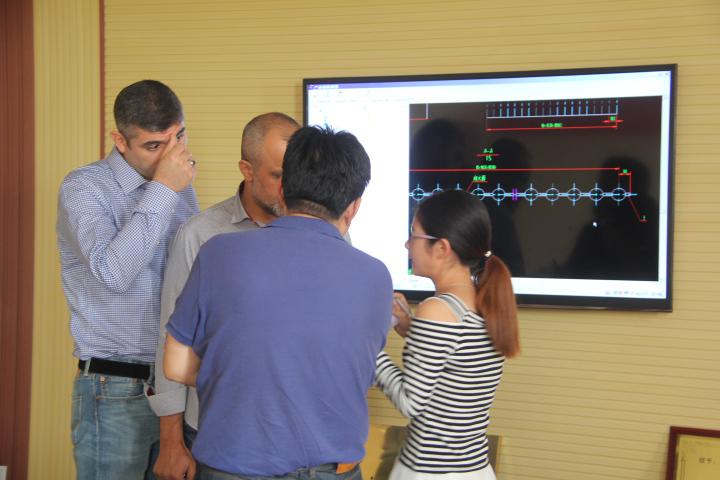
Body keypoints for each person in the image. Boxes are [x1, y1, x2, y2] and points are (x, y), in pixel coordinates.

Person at [163, 126, 393, 479]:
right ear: (354, 206)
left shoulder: (218, 252)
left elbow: (176, 366)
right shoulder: (375, 276)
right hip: (331, 470)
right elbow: (355, 374)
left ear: (282, 190)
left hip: (233, 466)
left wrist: (237, 376)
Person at [56, 79, 199, 479]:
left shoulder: (180, 186)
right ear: (120, 141)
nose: (169, 155)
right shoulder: (83, 187)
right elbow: (114, 272)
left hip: (175, 386)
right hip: (113, 388)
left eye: (177, 138)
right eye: (154, 145)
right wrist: (164, 188)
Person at [148, 112, 300, 480]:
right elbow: (171, 338)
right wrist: (171, 442)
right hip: (218, 438)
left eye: (298, 174)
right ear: (247, 170)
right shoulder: (200, 236)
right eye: (278, 176)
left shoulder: (325, 235)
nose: (291, 188)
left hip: (296, 443)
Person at [375, 190, 521, 480]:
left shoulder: (437, 309)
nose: (407, 244)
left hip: (429, 471)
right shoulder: (481, 302)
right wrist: (410, 326)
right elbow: (457, 361)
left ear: (441, 248)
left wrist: (366, 348)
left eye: (414, 235)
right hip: (474, 469)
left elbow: (409, 402)